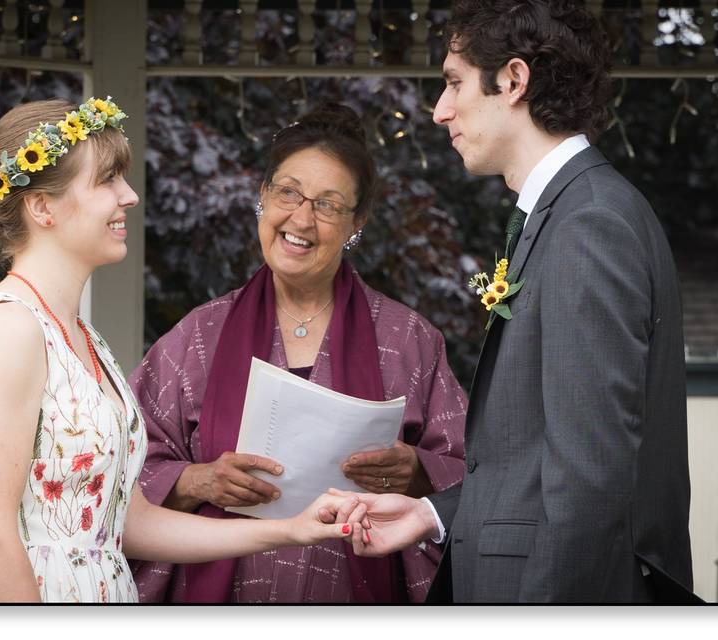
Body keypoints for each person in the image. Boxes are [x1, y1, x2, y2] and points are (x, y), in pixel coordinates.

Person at [325, 0, 697, 603]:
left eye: (453, 83)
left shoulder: (589, 225)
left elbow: (589, 481)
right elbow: (537, 457)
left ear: (515, 80)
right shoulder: (569, 215)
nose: (440, 110)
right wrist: (433, 515)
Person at [0, 98, 360, 603]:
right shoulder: (9, 328)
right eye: (107, 180)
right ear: (41, 206)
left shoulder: (83, 338)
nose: (130, 196)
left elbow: (128, 524)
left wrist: (292, 528)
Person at [129, 103, 467, 603]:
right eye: (288, 192)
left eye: (328, 204)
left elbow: (473, 469)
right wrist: (199, 480)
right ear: (262, 197)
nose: (302, 218)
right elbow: (121, 473)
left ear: (358, 221)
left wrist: (415, 470)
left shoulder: (408, 339)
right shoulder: (197, 336)